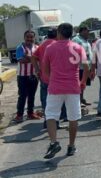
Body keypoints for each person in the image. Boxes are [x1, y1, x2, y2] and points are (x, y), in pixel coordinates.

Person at [42, 23, 89, 158]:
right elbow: (86, 67)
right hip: (73, 87)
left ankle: (53, 142)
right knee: (73, 117)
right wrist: (83, 81)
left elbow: (45, 70)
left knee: (51, 115)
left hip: (55, 87)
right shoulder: (78, 47)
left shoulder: (50, 48)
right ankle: (71, 146)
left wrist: (53, 79)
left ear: (59, 33)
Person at [32, 28, 66, 129]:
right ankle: (55, 123)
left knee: (45, 101)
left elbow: (33, 57)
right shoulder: (57, 44)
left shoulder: (42, 44)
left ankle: (47, 121)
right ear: (57, 35)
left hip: (44, 77)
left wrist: (37, 70)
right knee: (57, 102)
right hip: (56, 78)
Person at [14, 30, 40, 123]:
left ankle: (30, 113)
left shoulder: (37, 47)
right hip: (22, 76)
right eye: (27, 37)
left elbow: (40, 59)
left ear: (34, 38)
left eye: (31, 37)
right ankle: (19, 115)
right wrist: (33, 59)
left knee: (32, 96)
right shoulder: (20, 47)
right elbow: (21, 60)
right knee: (22, 96)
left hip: (33, 76)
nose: (29, 39)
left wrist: (28, 57)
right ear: (24, 37)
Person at [72, 26, 93, 107]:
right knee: (79, 84)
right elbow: (74, 52)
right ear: (82, 31)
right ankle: (78, 101)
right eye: (87, 31)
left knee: (83, 84)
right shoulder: (76, 40)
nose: (88, 33)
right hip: (80, 67)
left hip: (86, 67)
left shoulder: (86, 40)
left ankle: (81, 99)